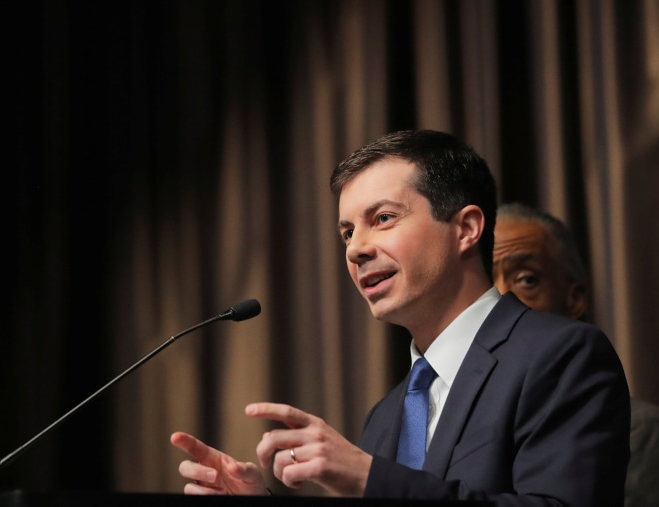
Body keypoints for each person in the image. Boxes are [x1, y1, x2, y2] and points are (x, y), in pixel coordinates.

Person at [170, 130, 630, 504]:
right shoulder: (388, 415)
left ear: (466, 229)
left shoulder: (561, 355)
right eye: (347, 232)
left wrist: (370, 478)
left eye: (384, 218)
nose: (356, 248)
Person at [493, 202, 659, 507]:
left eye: (527, 280)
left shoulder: (639, 432)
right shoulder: (448, 429)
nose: (498, 302)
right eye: (484, 285)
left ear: (574, 298)